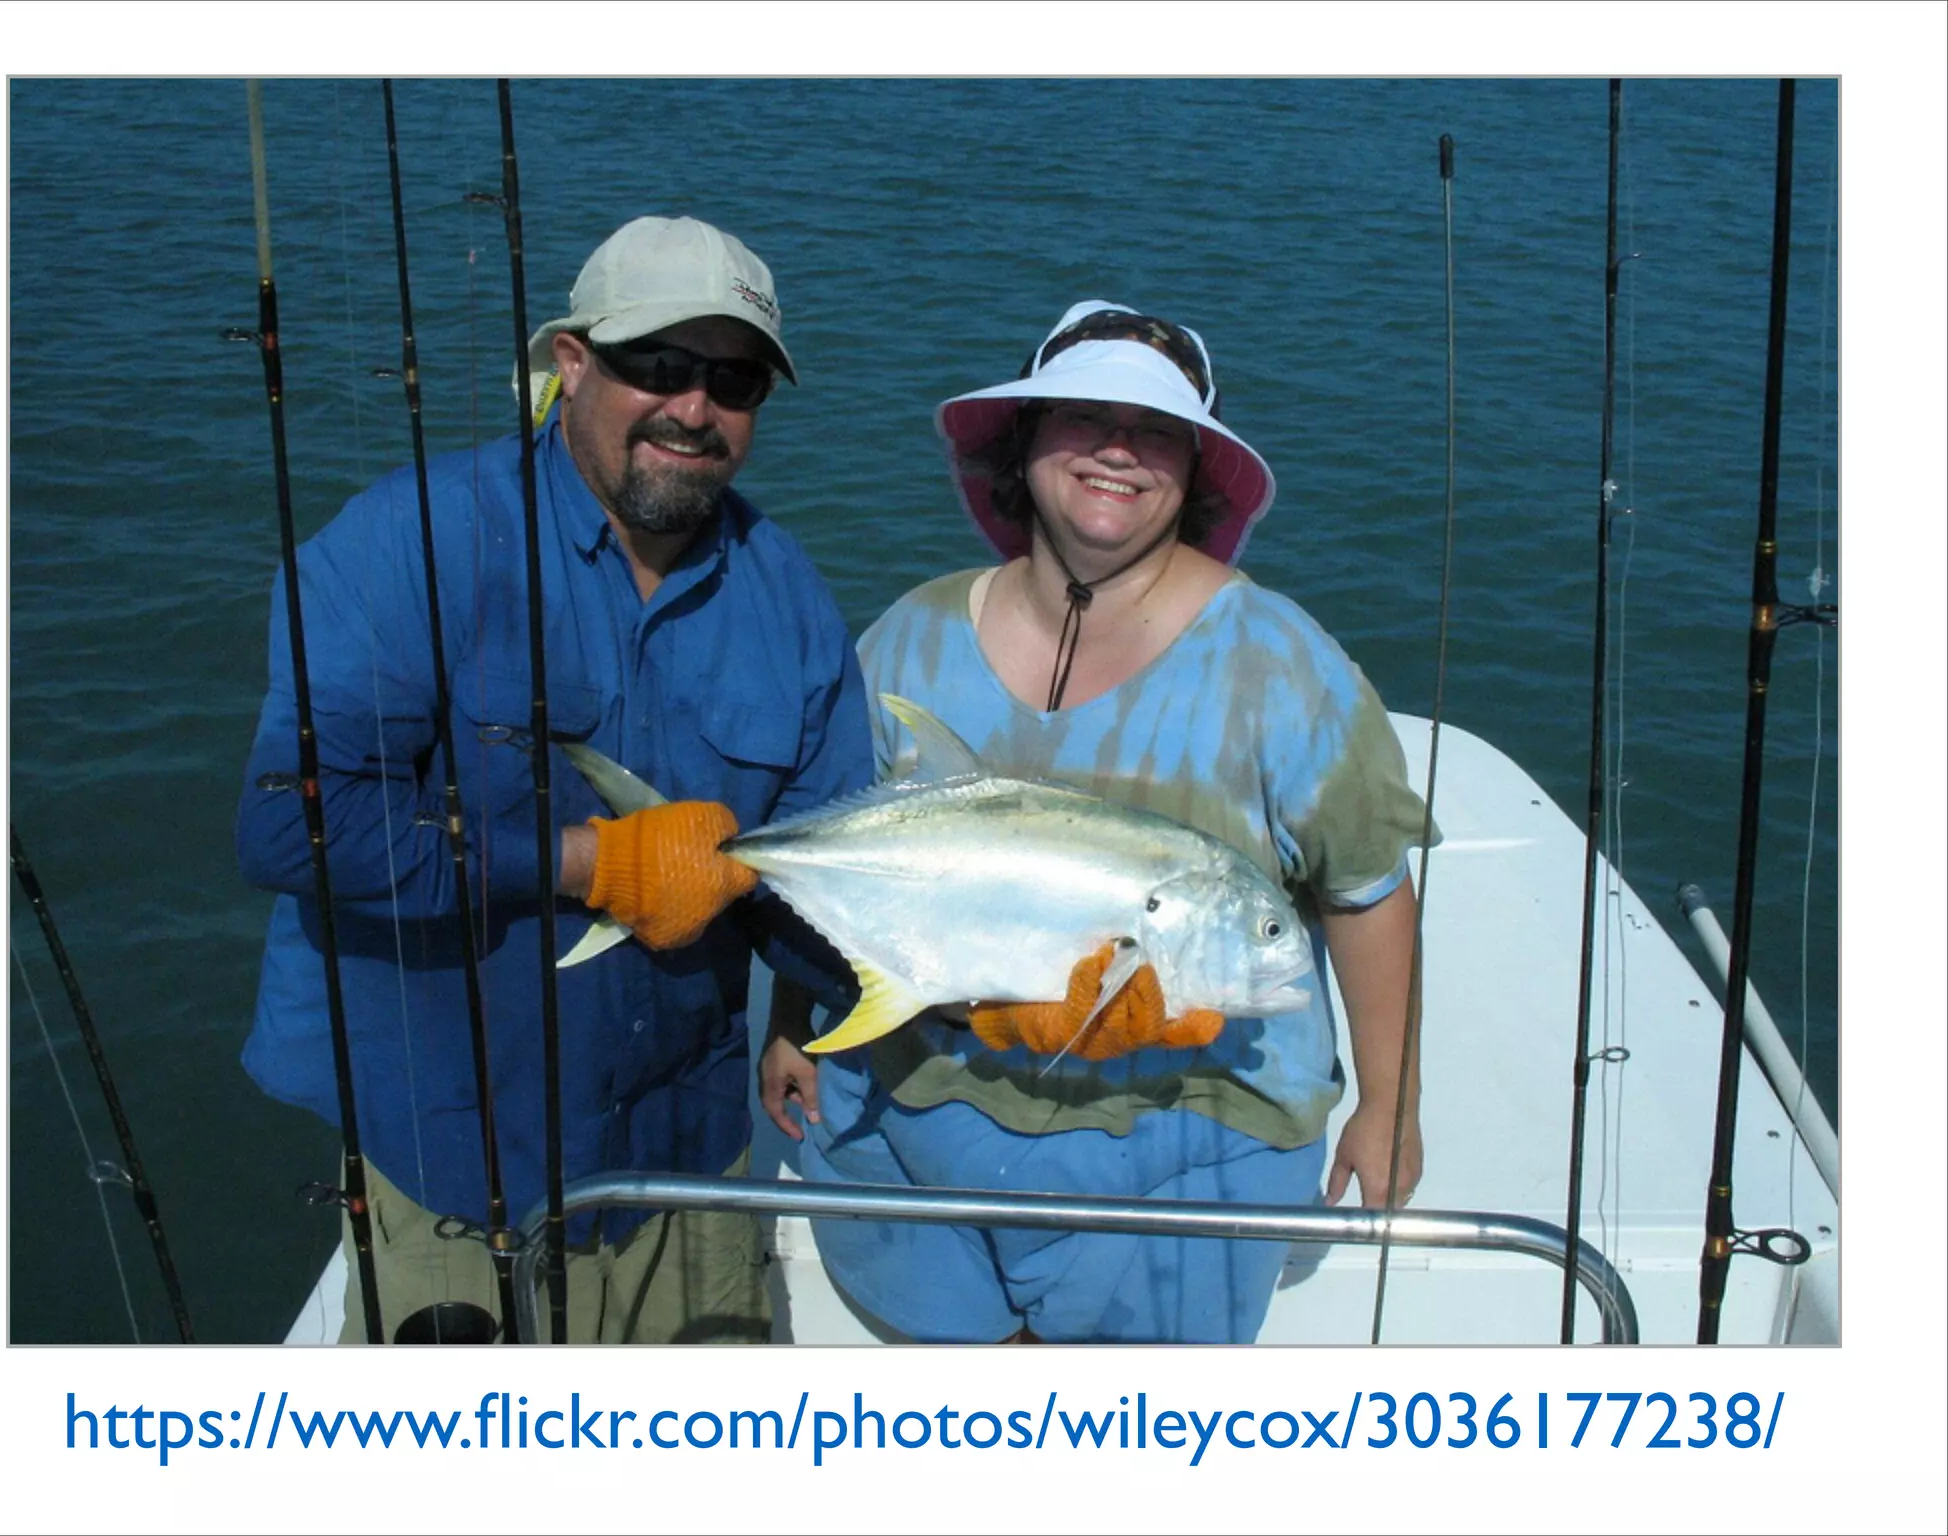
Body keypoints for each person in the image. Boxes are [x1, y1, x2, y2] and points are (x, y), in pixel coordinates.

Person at [236, 215, 872, 1344]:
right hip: (446, 1146)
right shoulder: (405, 545)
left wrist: (922, 983)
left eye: (732, 380)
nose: (693, 408)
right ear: (570, 363)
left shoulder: (792, 607)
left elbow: (817, 888)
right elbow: (294, 831)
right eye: (657, 365)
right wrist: (589, 860)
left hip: (678, 1148)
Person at [759, 300, 1433, 1344]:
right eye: (1080, 417)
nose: (1116, 449)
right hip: (922, 1100)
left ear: (1194, 471)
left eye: (1156, 429)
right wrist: (790, 1019)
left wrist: (1387, 1106)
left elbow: (1364, 890)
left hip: (1190, 1131)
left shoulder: (1280, 664)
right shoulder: (909, 638)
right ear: (1022, 445)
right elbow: (852, 858)